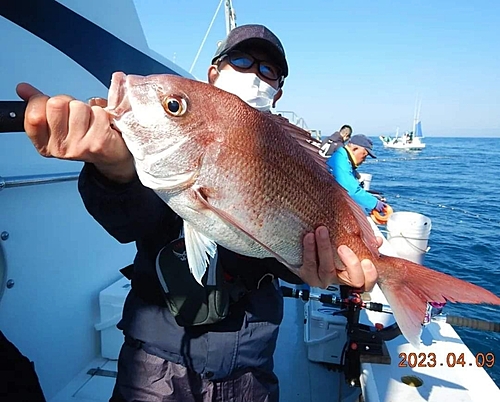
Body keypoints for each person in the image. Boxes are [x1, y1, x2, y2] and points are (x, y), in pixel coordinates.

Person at [17, 24, 380, 402]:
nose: (254, 75)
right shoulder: (161, 138)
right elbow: (129, 222)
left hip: (251, 361)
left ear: (278, 91)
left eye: (267, 70)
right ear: (213, 72)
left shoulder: (281, 147)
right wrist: (114, 170)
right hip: (156, 361)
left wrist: (316, 271)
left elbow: (287, 234)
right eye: (240, 60)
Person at [327, 134, 386, 213]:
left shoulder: (343, 156)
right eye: (364, 155)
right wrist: (375, 203)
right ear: (354, 149)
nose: (364, 160)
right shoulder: (340, 160)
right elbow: (351, 190)